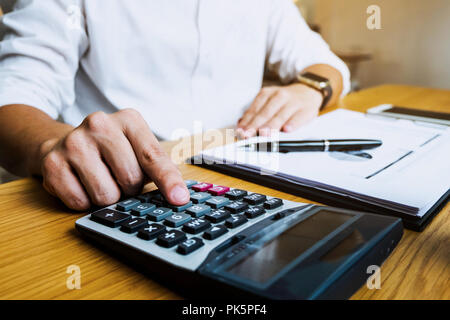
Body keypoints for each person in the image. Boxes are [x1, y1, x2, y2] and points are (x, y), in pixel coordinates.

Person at [0, 0, 350, 211]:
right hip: (124, 191)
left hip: (252, 178)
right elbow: (13, 96)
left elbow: (328, 67)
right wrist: (51, 144)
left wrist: (309, 90)